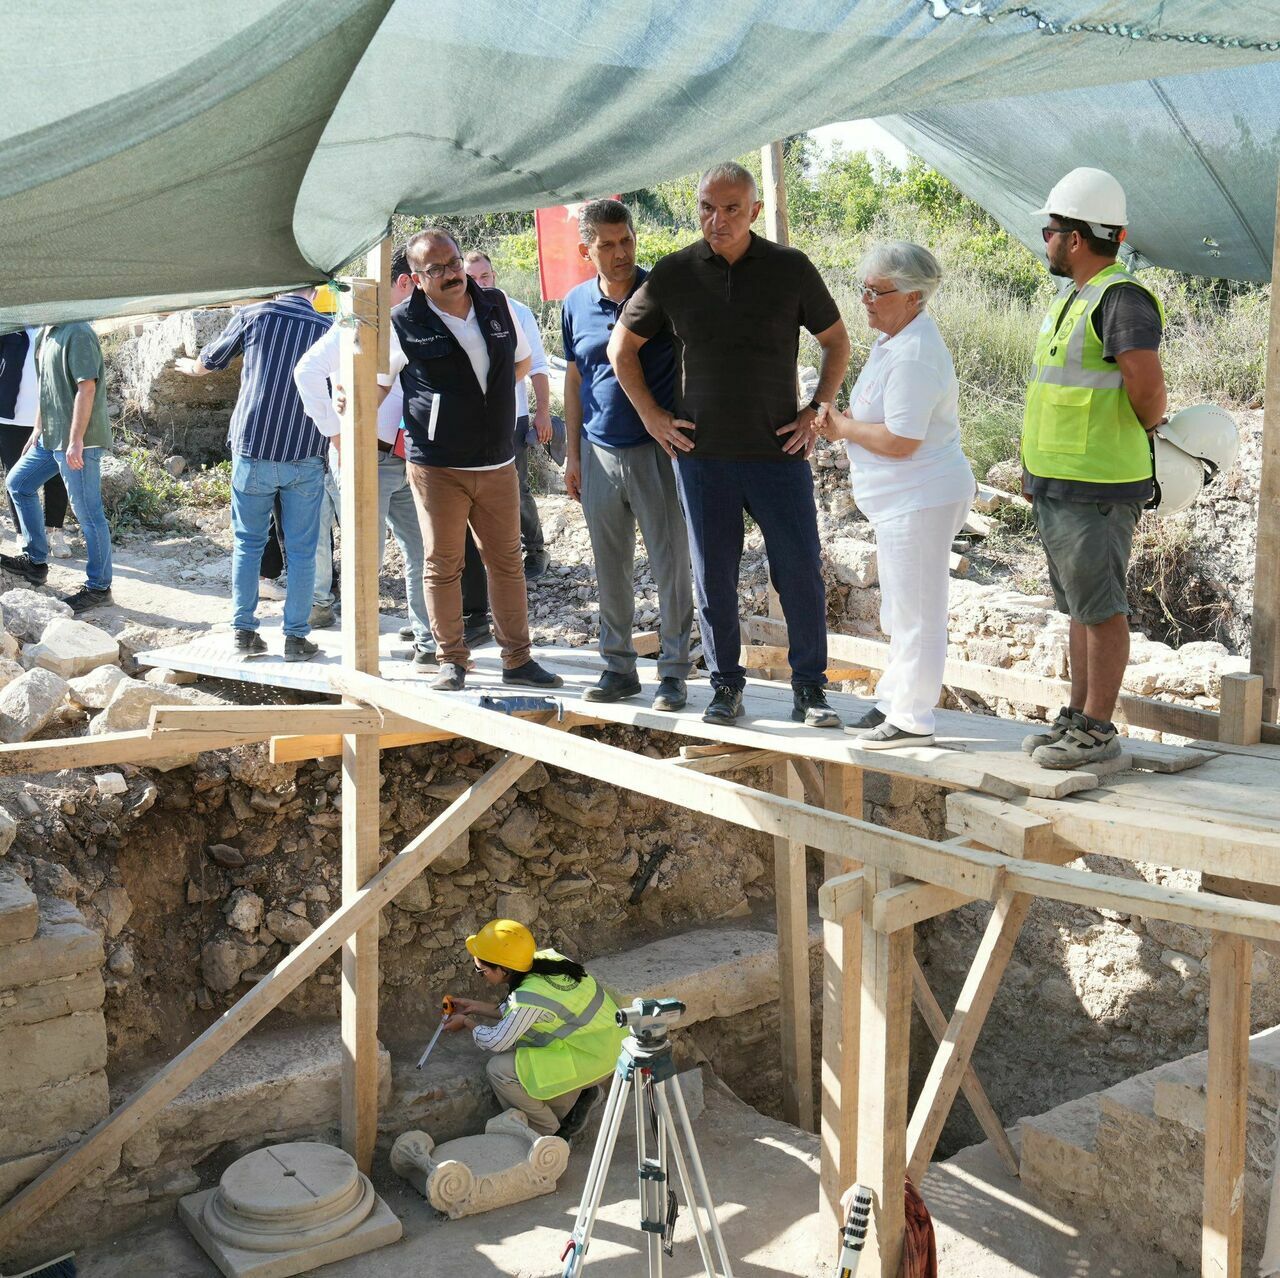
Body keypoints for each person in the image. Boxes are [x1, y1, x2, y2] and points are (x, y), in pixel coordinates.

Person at [609, 162, 851, 728]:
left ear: (754, 211)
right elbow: (622, 349)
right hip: (704, 455)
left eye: (731, 209)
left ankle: (811, 691)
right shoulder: (674, 272)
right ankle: (725, 687)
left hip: (779, 453)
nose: (716, 220)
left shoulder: (790, 269)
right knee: (712, 574)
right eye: (706, 208)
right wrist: (652, 417)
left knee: (798, 572)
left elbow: (836, 343)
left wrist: (816, 411)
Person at [1019, 168, 1167, 769]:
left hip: (1098, 487)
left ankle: (1098, 730)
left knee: (1101, 609)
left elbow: (1147, 388)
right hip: (1062, 485)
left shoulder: (1120, 298)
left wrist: (1141, 425)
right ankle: (1079, 717)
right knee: (1080, 608)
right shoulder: (1078, 298)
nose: (1047, 240)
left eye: (1051, 230)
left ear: (1076, 238)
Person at [387, 228, 562, 692]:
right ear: (417, 278)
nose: (451, 275)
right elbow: (379, 383)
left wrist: (490, 399)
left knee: (506, 561)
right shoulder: (403, 321)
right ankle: (452, 661)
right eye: (437, 269)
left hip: (497, 461)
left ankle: (518, 660)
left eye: (454, 263)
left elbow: (522, 362)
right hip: (438, 465)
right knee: (443, 564)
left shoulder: (495, 303)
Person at [817, 242, 976, 749]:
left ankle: (912, 718)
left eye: (876, 291)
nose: (865, 299)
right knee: (900, 608)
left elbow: (902, 441)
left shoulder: (914, 354)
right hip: (904, 499)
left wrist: (842, 429)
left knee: (918, 610)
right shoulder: (896, 340)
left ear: (912, 297)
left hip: (921, 495)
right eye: (862, 288)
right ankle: (894, 698)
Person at [562, 198, 693, 712]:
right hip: (597, 452)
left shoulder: (661, 293)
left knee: (670, 564)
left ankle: (675, 673)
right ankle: (618, 668)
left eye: (627, 241)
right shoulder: (574, 303)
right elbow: (576, 378)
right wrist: (571, 453)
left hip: (656, 452)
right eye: (607, 244)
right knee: (609, 567)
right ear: (585, 250)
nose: (620, 253)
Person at [293, 244, 436, 662]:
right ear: (405, 283)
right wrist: (334, 431)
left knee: (423, 549)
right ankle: (362, 653)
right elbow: (306, 372)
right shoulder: (354, 323)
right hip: (365, 457)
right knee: (365, 559)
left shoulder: (413, 325)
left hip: (408, 456)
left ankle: (427, 645)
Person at [176, 287, 332, 661]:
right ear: (315, 290)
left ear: (278, 285)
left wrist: (191, 368)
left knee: (248, 544)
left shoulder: (255, 315)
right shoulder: (327, 328)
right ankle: (296, 638)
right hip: (304, 451)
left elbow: (211, 360)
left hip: (254, 449)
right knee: (301, 550)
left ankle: (243, 632)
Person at [444, 919, 623, 1139]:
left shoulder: (528, 997)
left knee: (499, 1070)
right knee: (527, 1050)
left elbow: (496, 1041)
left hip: (595, 1058)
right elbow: (515, 1012)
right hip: (609, 1045)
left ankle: (548, 1133)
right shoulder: (545, 961)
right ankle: (583, 1095)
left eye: (482, 971)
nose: (481, 976)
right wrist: (472, 1007)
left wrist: (466, 1023)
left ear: (504, 970)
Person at [1, 322, 114, 612]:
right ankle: (35, 561)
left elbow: (87, 388)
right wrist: (38, 428)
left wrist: (76, 440)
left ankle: (99, 587)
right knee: (18, 483)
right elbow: (45, 387)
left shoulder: (78, 331)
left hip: (79, 441)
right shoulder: (46, 332)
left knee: (88, 513)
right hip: (50, 437)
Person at [463, 251, 553, 581]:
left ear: (494, 275)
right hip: (469, 419)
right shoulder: (454, 313)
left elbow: (538, 365)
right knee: (475, 491)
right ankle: (490, 556)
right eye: (472, 278)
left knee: (516, 487)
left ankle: (536, 551)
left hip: (510, 415)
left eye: (484, 276)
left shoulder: (516, 311)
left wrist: (542, 412)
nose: (479, 283)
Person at [0, 327, 70, 559]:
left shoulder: (54, 328)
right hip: (10, 418)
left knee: (56, 474)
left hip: (51, 417)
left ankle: (54, 532)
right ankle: (24, 535)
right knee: (15, 475)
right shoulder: (8, 326)